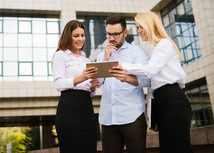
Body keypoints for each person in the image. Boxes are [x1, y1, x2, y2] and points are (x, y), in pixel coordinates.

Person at [110, 12, 193, 153]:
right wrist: (152, 116)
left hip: (173, 100)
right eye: (137, 27)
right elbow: (152, 86)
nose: (139, 31)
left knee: (179, 147)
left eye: (141, 26)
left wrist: (122, 65)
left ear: (150, 25)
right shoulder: (154, 49)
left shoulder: (164, 44)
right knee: (169, 148)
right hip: (163, 103)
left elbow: (150, 70)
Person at [97, 16, 150, 153]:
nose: (111, 38)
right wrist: (105, 60)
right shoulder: (101, 55)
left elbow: (148, 80)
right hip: (108, 120)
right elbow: (96, 84)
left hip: (132, 117)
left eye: (116, 34)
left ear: (125, 33)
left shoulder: (137, 51)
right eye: (109, 34)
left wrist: (126, 78)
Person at [52, 20, 99, 153]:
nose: (80, 39)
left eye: (83, 35)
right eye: (76, 35)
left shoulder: (87, 60)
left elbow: (88, 90)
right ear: (68, 36)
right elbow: (58, 84)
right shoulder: (60, 55)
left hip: (87, 109)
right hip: (69, 110)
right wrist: (82, 78)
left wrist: (93, 87)